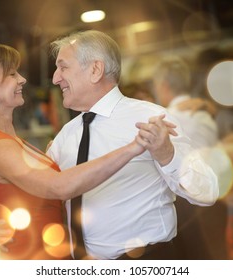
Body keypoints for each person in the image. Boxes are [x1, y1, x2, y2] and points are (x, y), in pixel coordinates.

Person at [0, 39, 168, 260]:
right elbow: (60, 187)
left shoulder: (12, 142)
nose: (22, 79)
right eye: (12, 74)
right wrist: (133, 147)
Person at [47, 30, 219, 260]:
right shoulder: (64, 137)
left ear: (95, 70)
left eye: (63, 67)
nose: (55, 78)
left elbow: (207, 191)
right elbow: (45, 196)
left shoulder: (152, 118)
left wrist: (167, 154)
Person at [151, 58, 228, 259]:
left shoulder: (166, 119)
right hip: (217, 196)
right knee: (219, 255)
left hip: (188, 203)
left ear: (163, 85)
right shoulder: (204, 113)